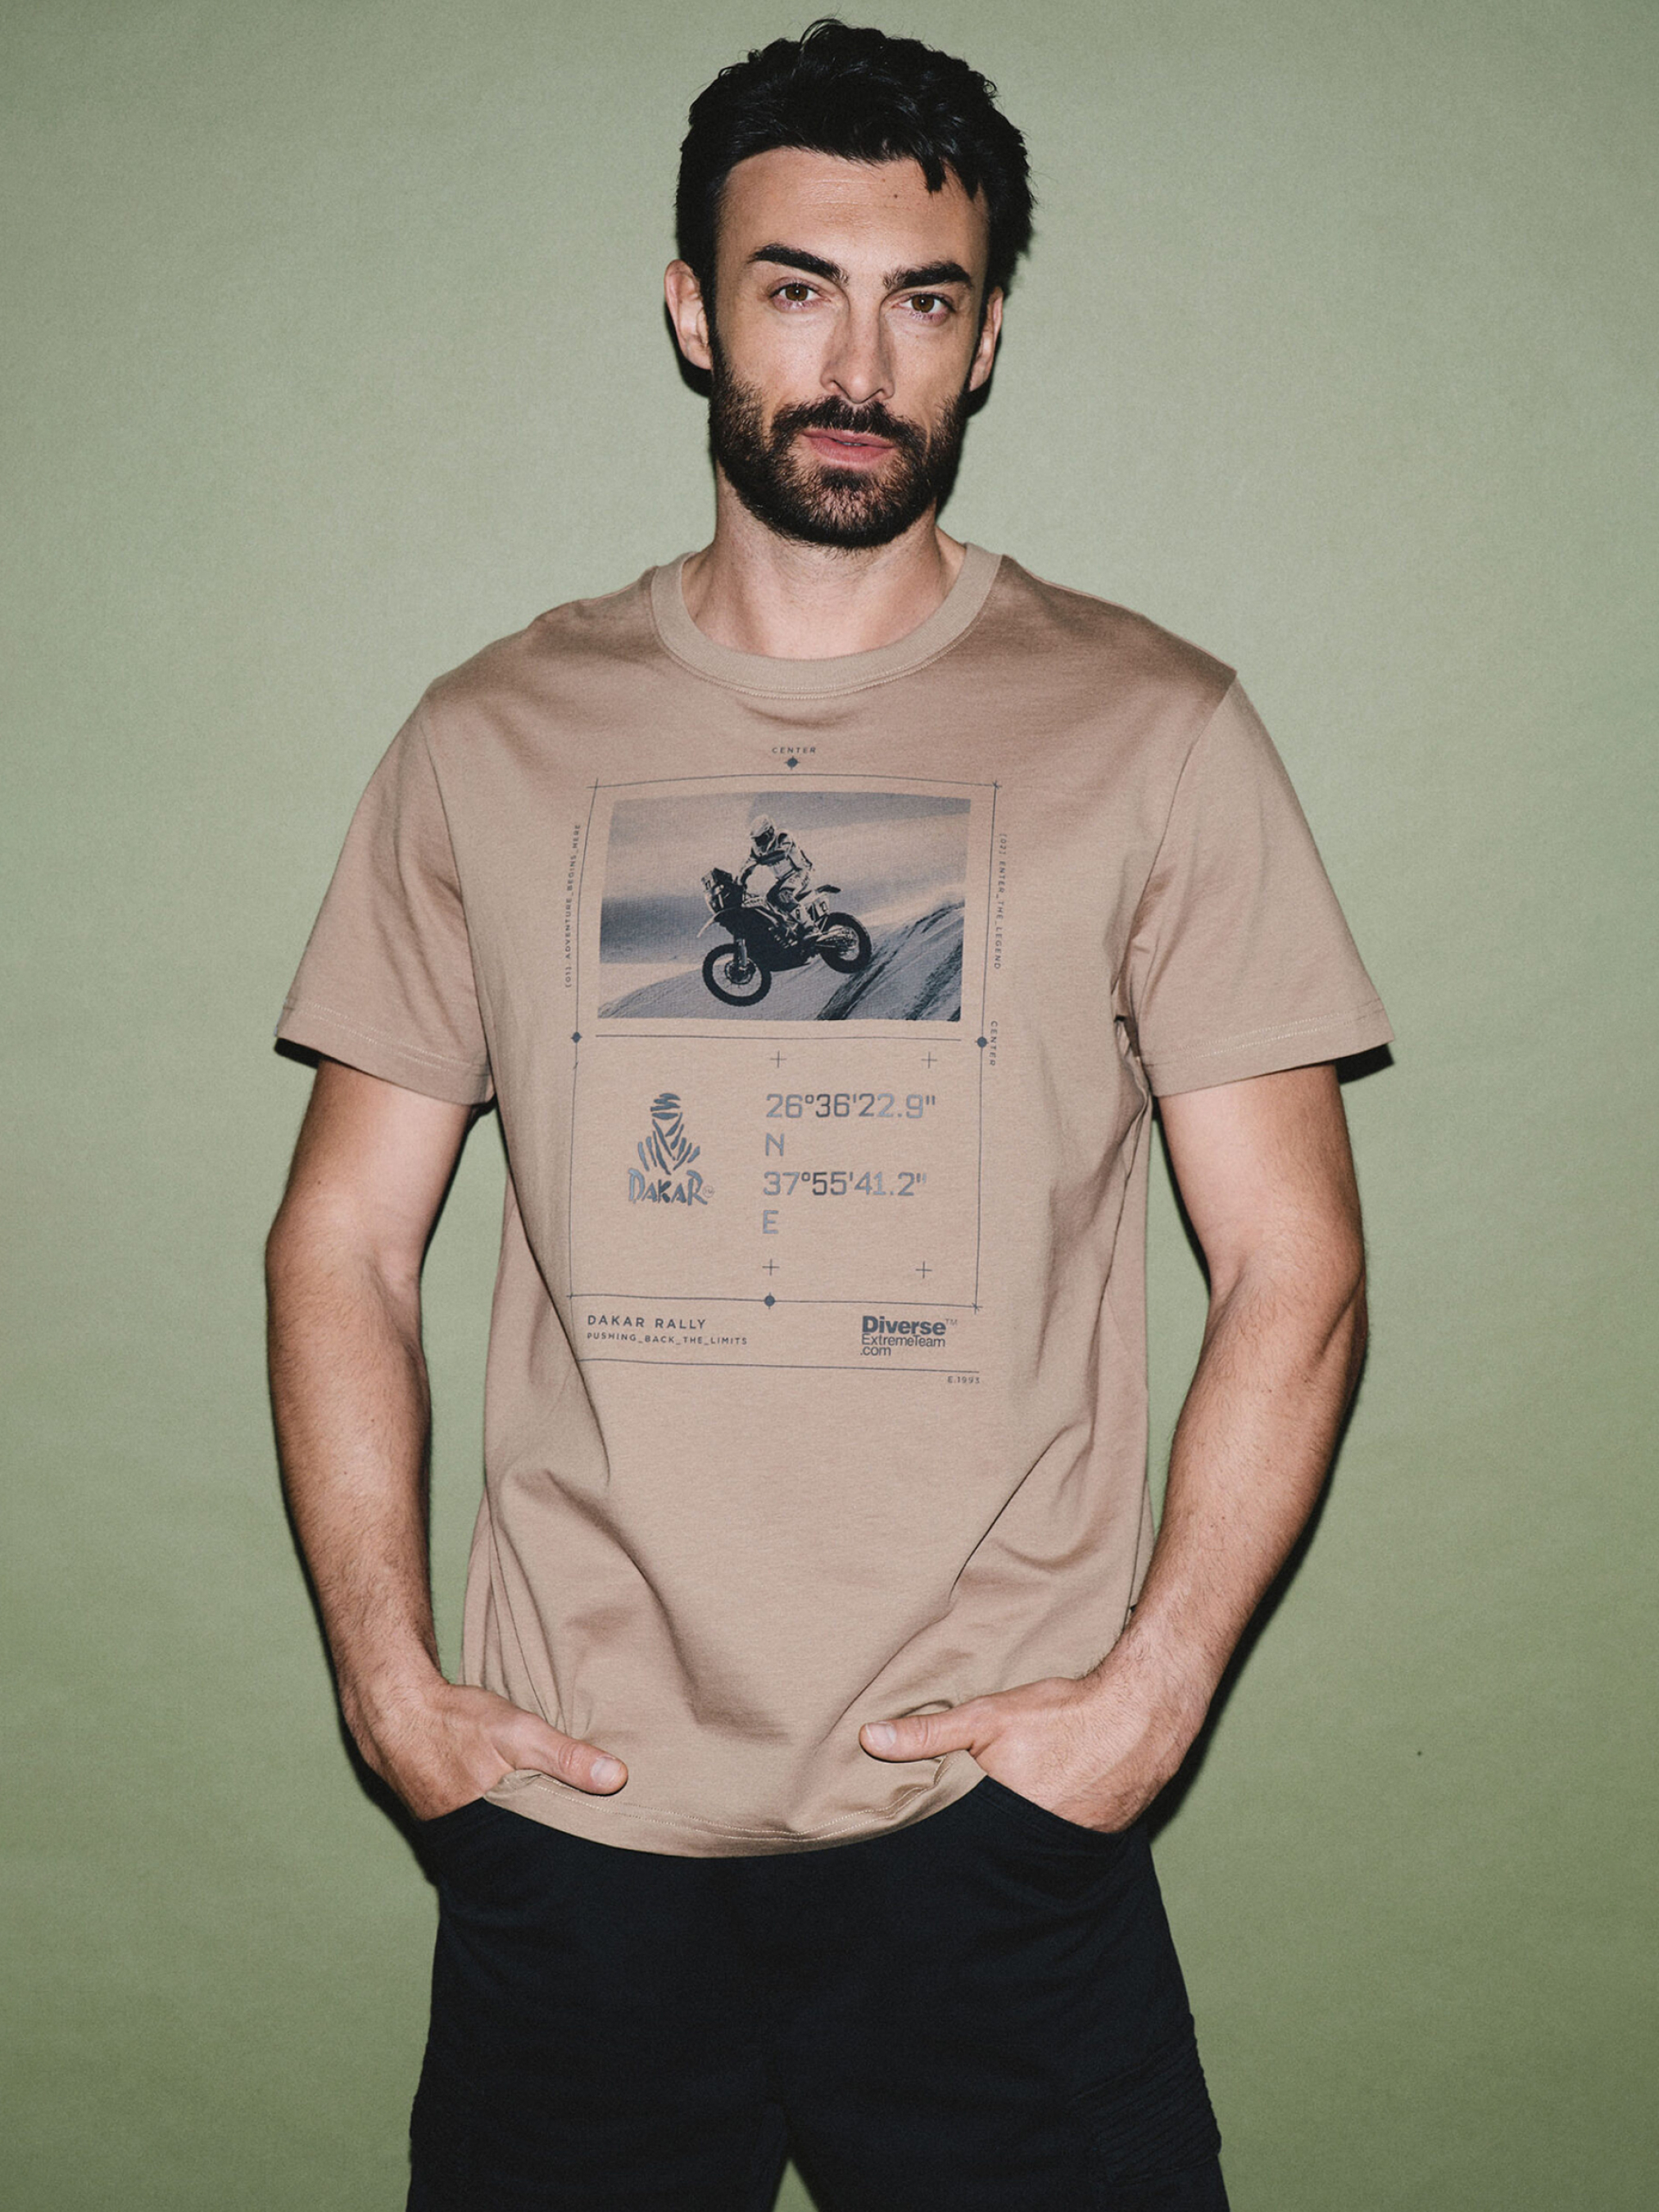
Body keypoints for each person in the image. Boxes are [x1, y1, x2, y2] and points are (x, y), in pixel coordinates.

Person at [265, 20, 1392, 2210]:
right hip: (574, 1822)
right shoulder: (493, 735)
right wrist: (392, 1684)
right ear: (696, 311)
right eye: (798, 289)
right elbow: (343, 1237)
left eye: (921, 300)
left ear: (986, 340)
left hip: (989, 1834)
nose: (859, 363)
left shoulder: (1154, 725)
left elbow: (1297, 1258)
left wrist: (1147, 1698)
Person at [738, 818, 814, 927]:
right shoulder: (756, 849)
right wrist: (740, 882)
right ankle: (788, 927)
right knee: (769, 900)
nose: (760, 842)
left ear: (770, 831)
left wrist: (760, 860)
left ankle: (810, 927)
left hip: (800, 872)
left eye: (762, 838)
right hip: (783, 879)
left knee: (784, 895)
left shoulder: (783, 836)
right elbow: (748, 866)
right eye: (757, 840)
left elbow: (781, 853)